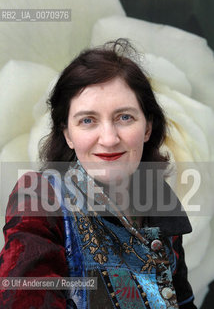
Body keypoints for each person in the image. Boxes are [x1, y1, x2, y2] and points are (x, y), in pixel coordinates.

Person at [0, 39, 197, 308]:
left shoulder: (160, 201)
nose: (109, 138)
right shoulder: (41, 197)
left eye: (124, 117)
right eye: (87, 120)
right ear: (67, 134)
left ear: (148, 128)